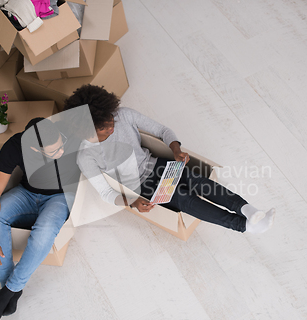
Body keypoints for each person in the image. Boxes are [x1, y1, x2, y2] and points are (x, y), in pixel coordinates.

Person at [67, 85, 275, 235]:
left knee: (197, 181)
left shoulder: (123, 115)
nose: (112, 127)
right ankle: (244, 226)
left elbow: (162, 130)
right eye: (104, 128)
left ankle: (249, 210)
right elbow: (105, 192)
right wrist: (132, 202)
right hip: (141, 187)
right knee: (185, 200)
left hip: (156, 166)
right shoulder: (86, 156)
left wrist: (175, 150)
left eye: (111, 120)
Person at [0, 116, 80, 320]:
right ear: (34, 149)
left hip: (59, 197)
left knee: (44, 232)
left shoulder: (70, 137)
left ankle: (9, 291)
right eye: (54, 152)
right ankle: (8, 287)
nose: (61, 152)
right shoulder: (15, 146)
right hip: (27, 193)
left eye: (60, 145)